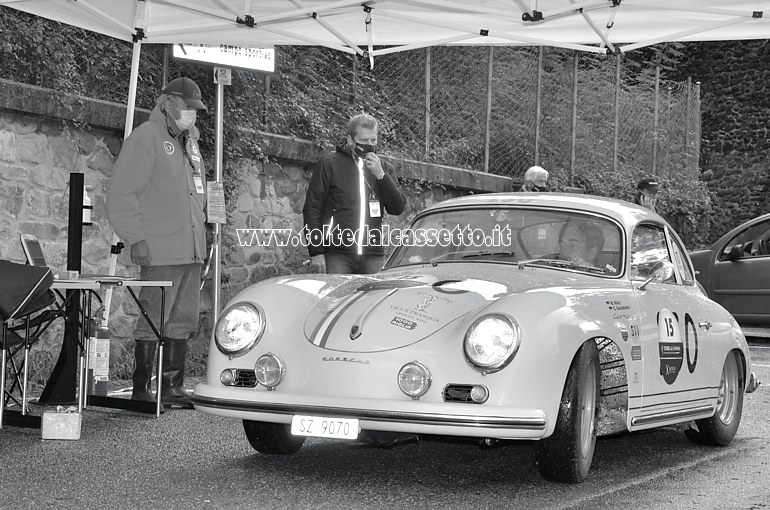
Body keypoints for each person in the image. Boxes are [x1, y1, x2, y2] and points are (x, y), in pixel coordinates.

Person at [106, 77, 208, 408]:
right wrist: (135, 238)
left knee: (184, 317)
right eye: (187, 107)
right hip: (160, 248)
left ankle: (171, 386)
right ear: (166, 103)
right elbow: (122, 193)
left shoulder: (189, 143)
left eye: (195, 109)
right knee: (154, 316)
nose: (191, 114)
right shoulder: (146, 137)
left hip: (192, 247)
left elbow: (199, 193)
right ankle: (140, 389)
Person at [303, 113, 406, 274]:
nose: (370, 145)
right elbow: (312, 208)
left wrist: (381, 176)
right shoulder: (330, 164)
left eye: (373, 140)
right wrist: (316, 251)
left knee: (374, 299)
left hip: (372, 254)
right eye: (364, 141)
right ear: (351, 140)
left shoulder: (384, 168)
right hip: (337, 253)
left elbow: (397, 208)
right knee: (337, 299)